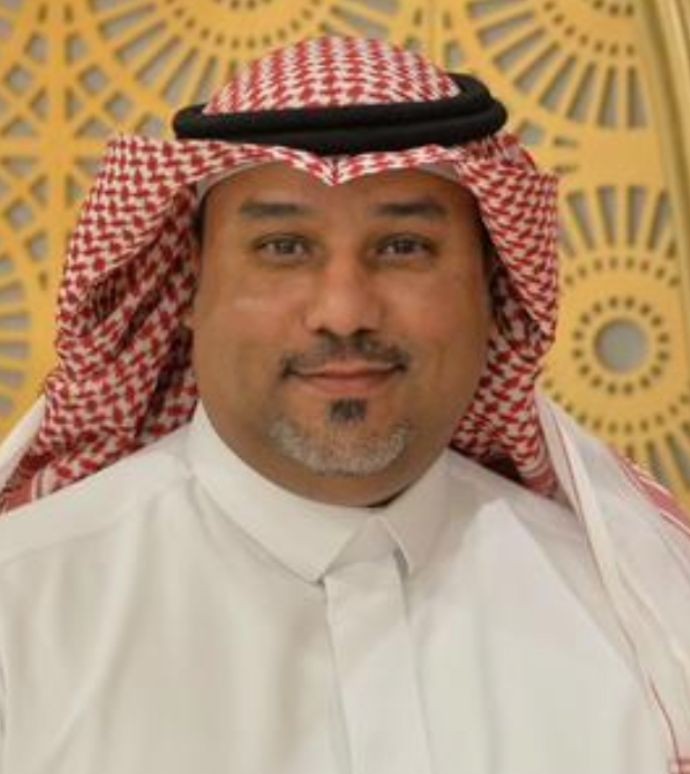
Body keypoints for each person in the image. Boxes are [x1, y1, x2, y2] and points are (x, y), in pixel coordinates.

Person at [0, 35, 687, 774]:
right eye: (284, 247)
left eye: (403, 247)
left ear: (490, 284)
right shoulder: (24, 612)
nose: (344, 311)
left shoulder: (650, 622)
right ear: (192, 280)